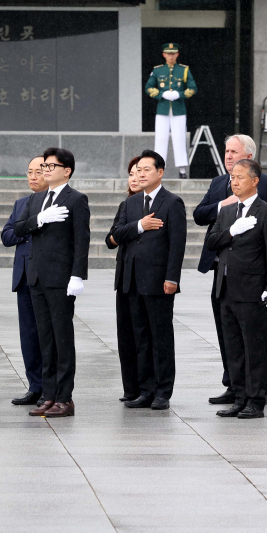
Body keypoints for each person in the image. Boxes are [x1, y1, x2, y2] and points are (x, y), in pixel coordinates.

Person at [194, 134, 267, 405]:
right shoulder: (219, 183)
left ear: (249, 157)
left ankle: (258, 391)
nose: (228, 156)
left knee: (255, 338)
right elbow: (200, 216)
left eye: (234, 151)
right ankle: (235, 386)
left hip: (252, 272)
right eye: (226, 151)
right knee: (228, 333)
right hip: (222, 270)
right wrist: (224, 206)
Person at [13, 147, 90, 418]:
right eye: (43, 166)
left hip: (60, 279)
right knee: (45, 339)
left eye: (50, 166)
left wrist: (77, 275)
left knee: (62, 339)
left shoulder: (76, 199)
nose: (45, 171)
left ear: (66, 170)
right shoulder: (36, 200)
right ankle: (48, 395)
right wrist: (39, 219)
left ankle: (64, 398)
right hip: (36, 276)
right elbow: (17, 228)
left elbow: (81, 240)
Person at [111, 150, 187, 410]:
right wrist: (140, 225)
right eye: (138, 170)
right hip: (131, 280)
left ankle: (163, 392)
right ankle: (145, 390)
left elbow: (177, 244)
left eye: (146, 169)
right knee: (140, 337)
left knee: (161, 337)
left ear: (160, 172)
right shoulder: (131, 204)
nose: (141, 174)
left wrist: (172, 278)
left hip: (158, 280)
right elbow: (117, 233)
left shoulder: (172, 202)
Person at [0, 156, 46, 406]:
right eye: (29, 172)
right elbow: (7, 235)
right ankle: (34, 386)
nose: (32, 176)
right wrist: (27, 228)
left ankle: (51, 388)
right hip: (24, 277)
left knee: (46, 335)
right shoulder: (21, 203)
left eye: (38, 171)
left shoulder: (56, 203)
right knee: (28, 335)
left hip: (46, 278)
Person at [105, 157, 143, 404]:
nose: (135, 177)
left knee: (143, 336)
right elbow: (110, 240)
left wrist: (125, 232)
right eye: (131, 173)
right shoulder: (126, 204)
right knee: (125, 336)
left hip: (147, 278)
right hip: (125, 278)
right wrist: (137, 227)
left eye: (140, 172)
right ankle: (130, 388)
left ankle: (146, 387)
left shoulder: (157, 204)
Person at [144, 42, 198, 178]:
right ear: (164, 55)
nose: (171, 56)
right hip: (162, 109)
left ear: (177, 54)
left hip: (179, 109)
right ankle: (158, 170)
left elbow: (193, 88)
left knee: (179, 138)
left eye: (173, 53)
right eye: (168, 53)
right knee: (161, 139)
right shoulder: (157, 70)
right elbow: (148, 87)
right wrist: (161, 94)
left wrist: (180, 94)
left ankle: (182, 170)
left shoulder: (184, 70)